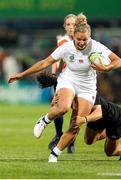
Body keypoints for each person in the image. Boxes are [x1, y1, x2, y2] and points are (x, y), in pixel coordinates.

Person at [8, 13, 121, 163]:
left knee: (75, 125)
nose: (82, 42)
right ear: (73, 37)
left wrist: (106, 67)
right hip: (68, 80)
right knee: (63, 108)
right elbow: (45, 62)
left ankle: (54, 154)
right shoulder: (66, 47)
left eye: (85, 39)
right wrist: (22, 75)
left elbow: (119, 61)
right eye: (79, 39)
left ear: (89, 37)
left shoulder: (96, 46)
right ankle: (44, 120)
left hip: (87, 88)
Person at [74, 94, 121, 160]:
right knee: (88, 140)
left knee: (110, 152)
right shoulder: (74, 95)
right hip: (98, 119)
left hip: (114, 118)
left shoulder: (90, 94)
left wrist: (84, 119)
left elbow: (99, 113)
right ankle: (118, 129)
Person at [48, 14, 77, 153]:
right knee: (60, 107)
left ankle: (70, 138)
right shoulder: (63, 41)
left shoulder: (84, 39)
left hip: (82, 80)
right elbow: (56, 59)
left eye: (73, 24)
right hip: (67, 80)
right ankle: (59, 134)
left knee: (77, 110)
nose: (71, 27)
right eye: (68, 25)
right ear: (65, 27)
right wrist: (54, 75)